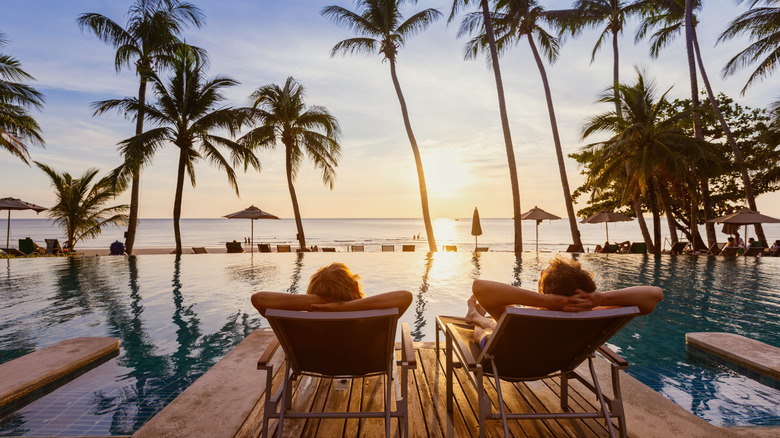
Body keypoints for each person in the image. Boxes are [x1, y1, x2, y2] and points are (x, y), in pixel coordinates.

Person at [465, 257, 663, 349]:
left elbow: (480, 288)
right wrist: (599, 298)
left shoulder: (528, 316)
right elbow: (654, 295)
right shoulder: (595, 313)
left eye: (540, 277)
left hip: (511, 359)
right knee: (497, 322)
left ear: (544, 291)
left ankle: (474, 317)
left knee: (488, 328)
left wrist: (544, 302)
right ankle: (476, 316)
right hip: (560, 362)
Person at [251, 262, 412, 317]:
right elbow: (405, 296)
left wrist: (317, 301)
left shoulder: (306, 323)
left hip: (315, 365)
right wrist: (346, 305)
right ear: (354, 286)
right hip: (364, 364)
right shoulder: (368, 316)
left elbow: (259, 298)